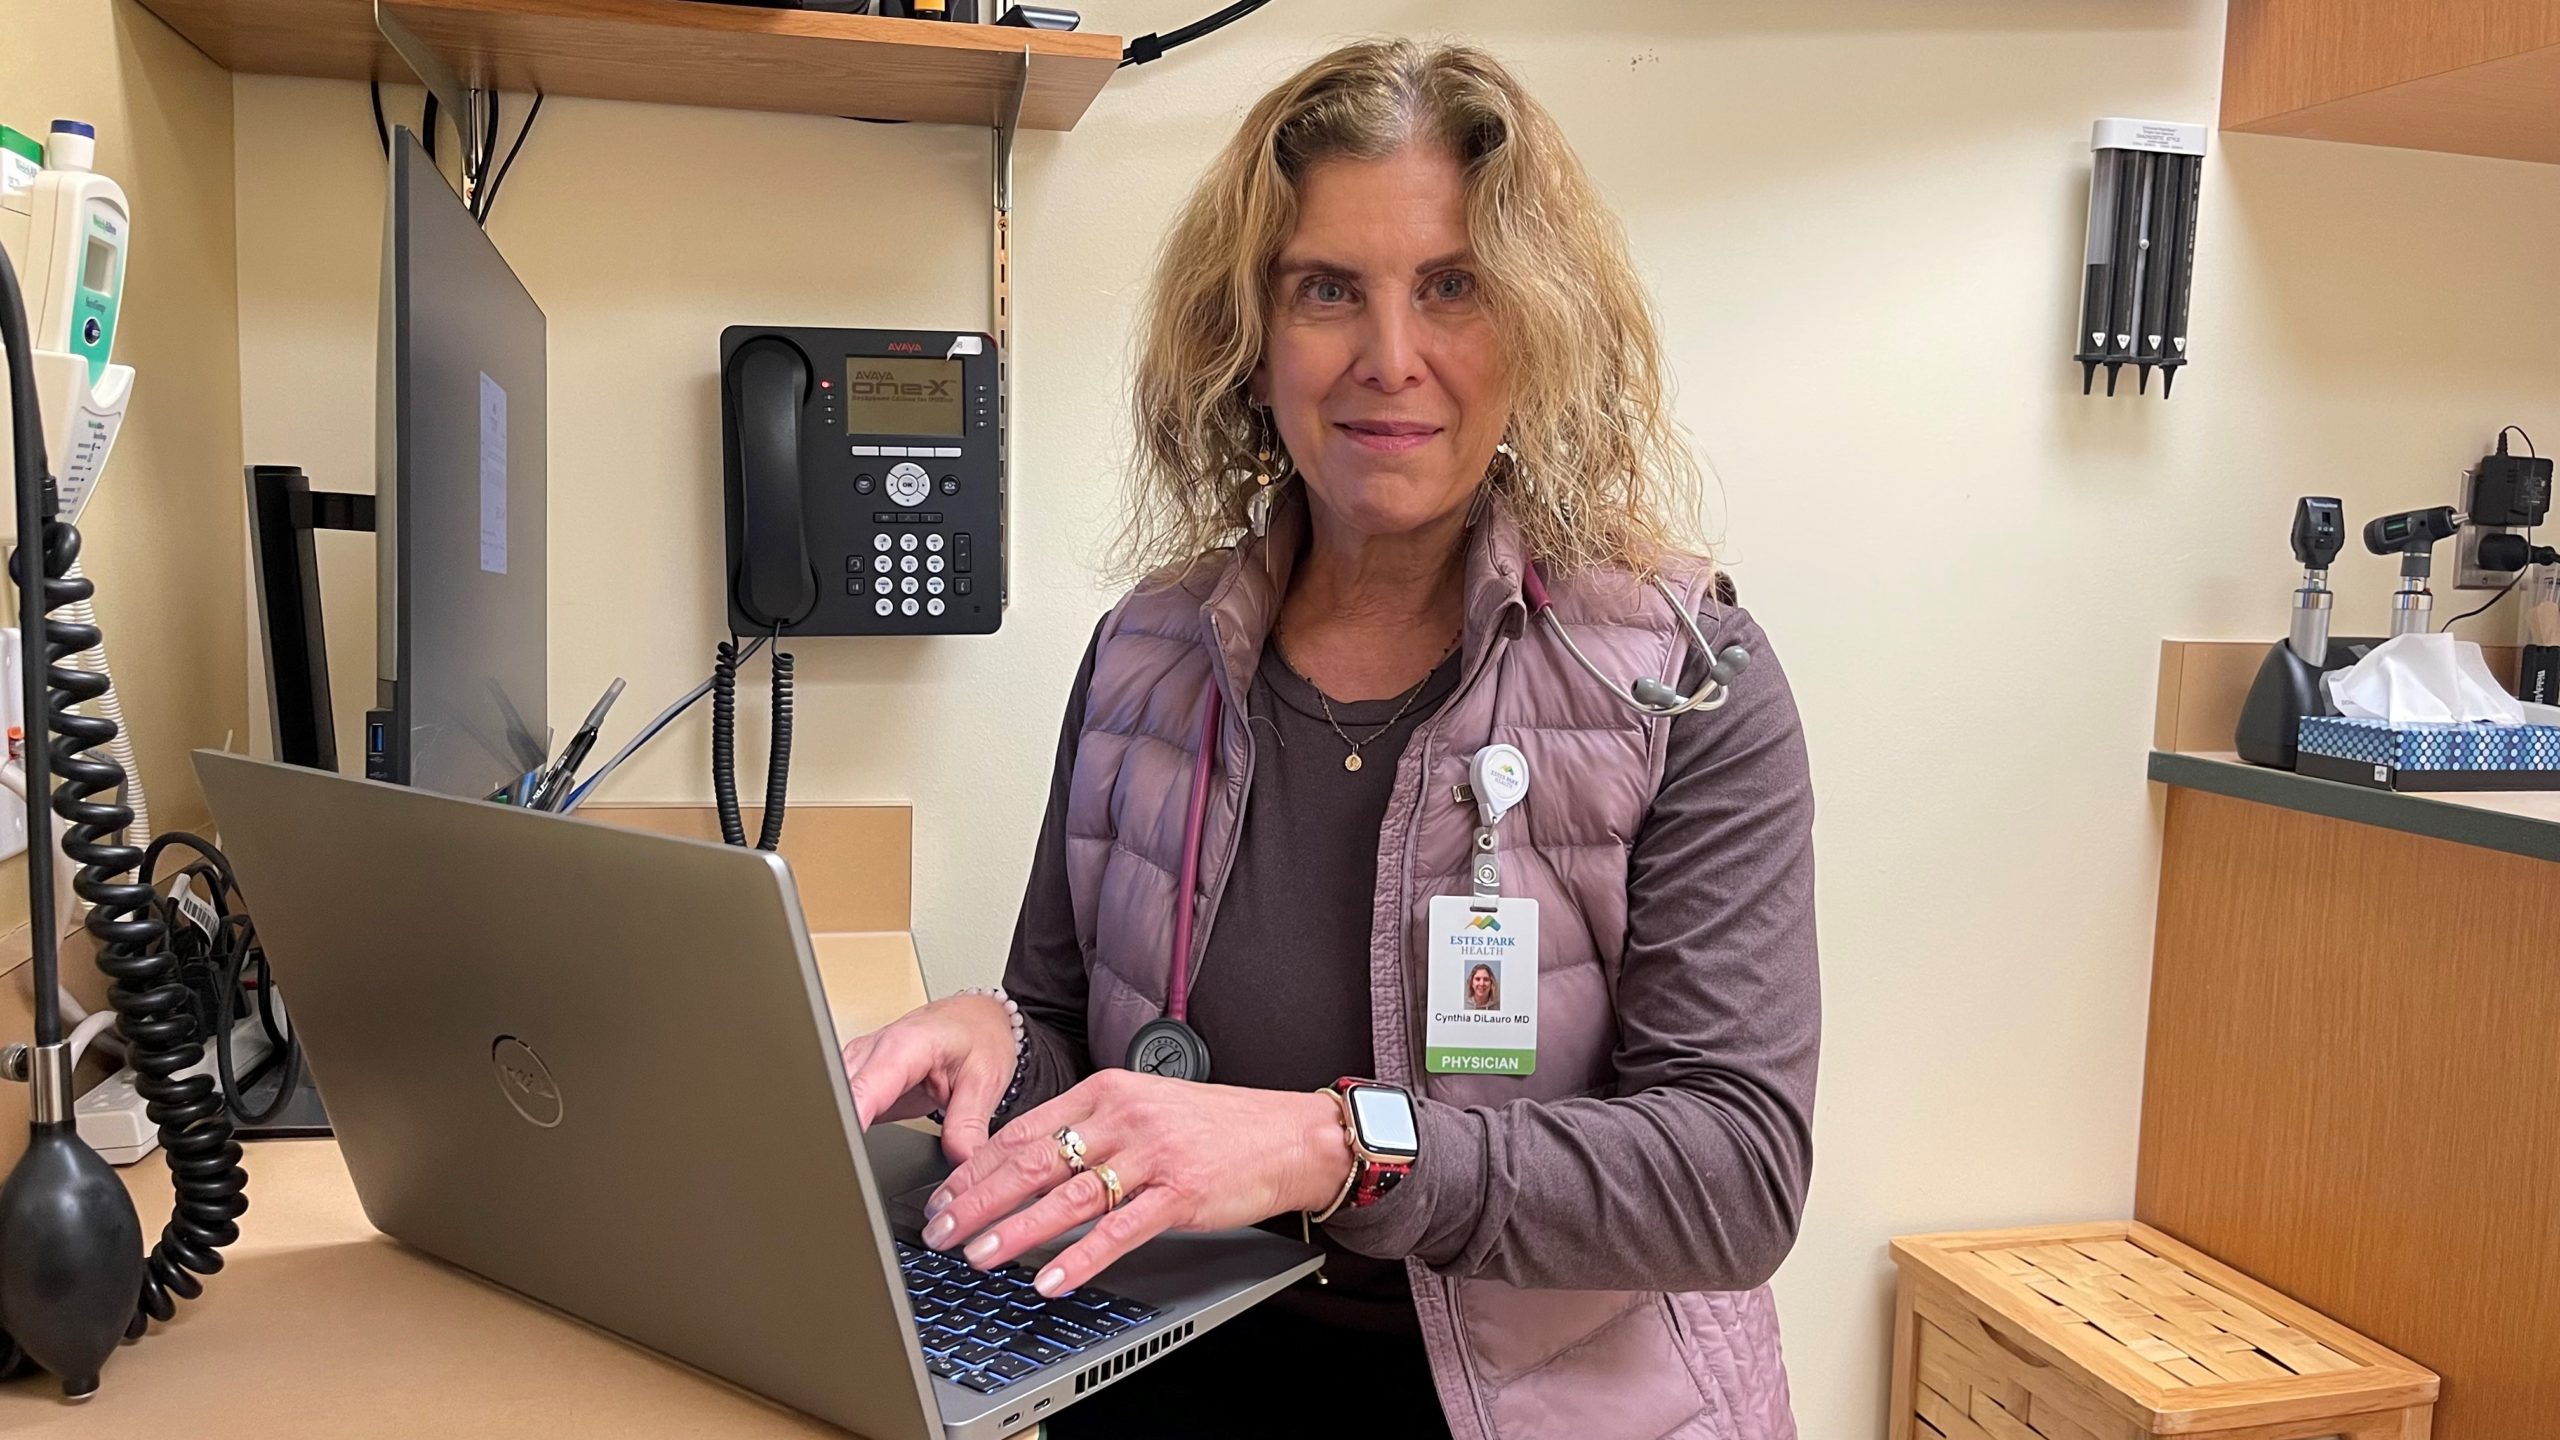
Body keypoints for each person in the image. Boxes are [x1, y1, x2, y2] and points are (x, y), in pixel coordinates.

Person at [839, 37, 1818, 1440]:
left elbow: (1734, 1178)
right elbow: (1070, 1035)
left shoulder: (1688, 678)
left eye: (1452, 288)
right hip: (1164, 1352)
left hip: (1536, 1406)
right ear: (1249, 335)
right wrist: (989, 1039)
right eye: (1327, 291)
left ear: (1536, 321)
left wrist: (1332, 1144)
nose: (1390, 358)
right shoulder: (1145, 655)